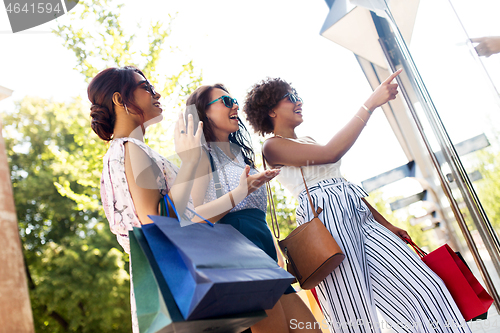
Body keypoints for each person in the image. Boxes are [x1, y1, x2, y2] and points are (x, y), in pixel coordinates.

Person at [243, 70, 472, 333]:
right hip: (324, 222)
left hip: (356, 211)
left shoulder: (307, 140)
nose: (298, 101)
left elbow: (343, 185)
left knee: (424, 286)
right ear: (271, 111)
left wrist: (386, 224)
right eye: (290, 97)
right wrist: (370, 104)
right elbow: (331, 153)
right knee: (353, 311)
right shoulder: (272, 147)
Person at [186, 84, 322, 333]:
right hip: (239, 262)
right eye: (226, 101)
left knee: (311, 329)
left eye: (234, 100)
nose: (234, 105)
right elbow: (196, 217)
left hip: (266, 258)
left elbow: (256, 215)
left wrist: (275, 251)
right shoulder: (201, 157)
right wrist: (240, 192)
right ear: (203, 113)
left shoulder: (241, 156)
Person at [88, 66, 203, 333]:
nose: (156, 93)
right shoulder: (131, 148)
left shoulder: (120, 152)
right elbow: (155, 220)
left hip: (159, 275)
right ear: (119, 99)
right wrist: (190, 162)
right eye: (146, 87)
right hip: (175, 275)